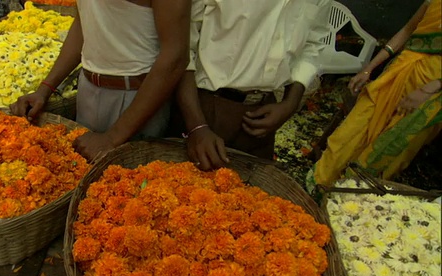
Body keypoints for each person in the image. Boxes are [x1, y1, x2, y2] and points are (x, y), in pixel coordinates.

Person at [10, 0, 191, 161]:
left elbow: (175, 58)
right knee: (81, 174)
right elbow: (85, 22)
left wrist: (112, 138)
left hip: (137, 98)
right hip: (88, 90)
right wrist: (45, 89)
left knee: (125, 185)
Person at [174, 0, 331, 170]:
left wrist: (290, 103)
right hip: (205, 108)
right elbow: (181, 46)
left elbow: (312, 44)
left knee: (249, 190)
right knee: (183, 188)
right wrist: (196, 126)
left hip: (264, 115)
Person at [310, 0, 441, 188]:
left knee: (389, 148)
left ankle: (348, 202)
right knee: (352, 130)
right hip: (397, 74)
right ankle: (316, 188)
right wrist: (368, 69)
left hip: (431, 95)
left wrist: (427, 90)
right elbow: (406, 31)